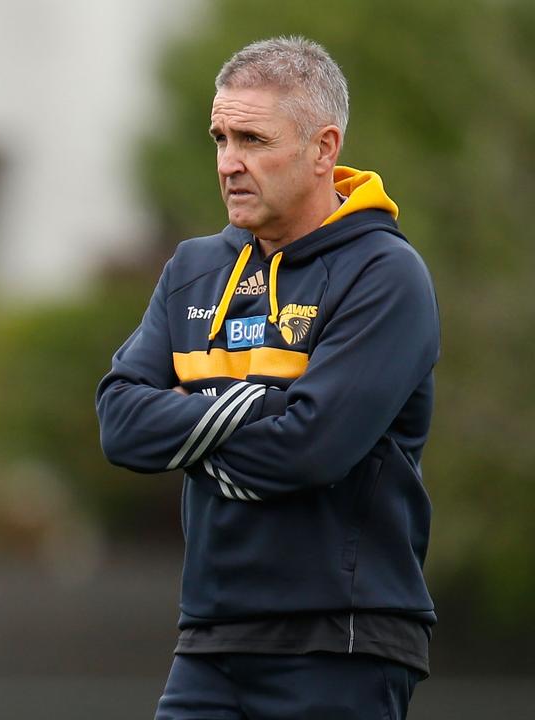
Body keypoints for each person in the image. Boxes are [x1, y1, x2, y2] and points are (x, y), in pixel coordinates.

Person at [95, 36, 438, 720]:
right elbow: (119, 424)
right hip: (209, 639)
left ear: (323, 148)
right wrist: (266, 407)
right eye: (221, 138)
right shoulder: (192, 269)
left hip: (341, 641)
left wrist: (193, 427)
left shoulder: (385, 274)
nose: (229, 164)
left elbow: (310, 449)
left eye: (252, 139)